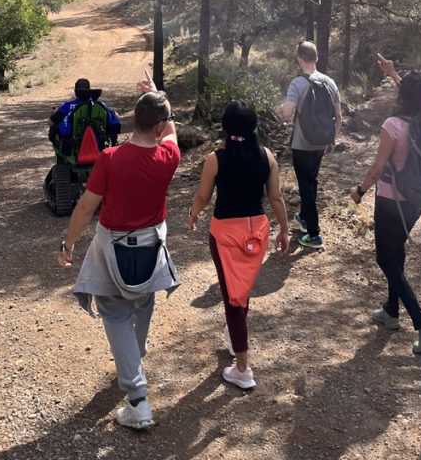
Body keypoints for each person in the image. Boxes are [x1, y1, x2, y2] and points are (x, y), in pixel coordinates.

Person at [57, 72, 181, 430]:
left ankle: (138, 399)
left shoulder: (110, 159)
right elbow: (171, 129)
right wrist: (159, 95)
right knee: (144, 301)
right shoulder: (169, 155)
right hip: (151, 247)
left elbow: (84, 208)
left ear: (136, 122)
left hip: (113, 249)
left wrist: (68, 244)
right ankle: (133, 360)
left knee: (114, 312)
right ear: (159, 127)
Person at [188, 102, 290, 389]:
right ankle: (235, 337)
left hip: (224, 233)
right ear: (254, 127)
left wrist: (193, 214)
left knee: (233, 297)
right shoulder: (267, 156)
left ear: (226, 127)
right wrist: (284, 230)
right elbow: (276, 197)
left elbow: (203, 196)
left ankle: (243, 368)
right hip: (256, 232)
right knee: (241, 291)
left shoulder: (215, 159)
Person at [350, 59, 421, 355]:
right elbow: (413, 94)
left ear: (403, 96)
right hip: (415, 202)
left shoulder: (392, 126)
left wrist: (360, 191)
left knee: (385, 259)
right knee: (396, 252)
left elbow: (378, 168)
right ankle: (391, 311)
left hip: (390, 201)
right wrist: (393, 74)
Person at [278, 40, 342, 249]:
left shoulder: (298, 83)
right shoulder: (329, 83)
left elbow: (287, 113)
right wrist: (332, 139)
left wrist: (282, 107)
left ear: (299, 60)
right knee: (311, 181)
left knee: (305, 185)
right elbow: (338, 115)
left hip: (302, 143)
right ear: (317, 58)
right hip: (321, 142)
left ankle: (313, 234)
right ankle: (305, 216)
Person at [48, 77, 121, 154]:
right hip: (98, 143)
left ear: (75, 92)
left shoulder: (67, 106)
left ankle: (61, 154)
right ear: (89, 90)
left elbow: (50, 122)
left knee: (55, 126)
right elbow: (116, 117)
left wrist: (54, 113)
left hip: (74, 145)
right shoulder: (100, 106)